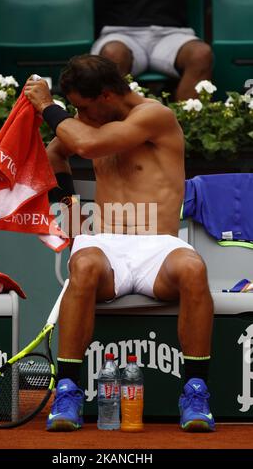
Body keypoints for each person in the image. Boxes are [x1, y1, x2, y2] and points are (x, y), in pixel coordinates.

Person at [24, 54, 215, 433]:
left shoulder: (153, 116)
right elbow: (55, 153)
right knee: (84, 264)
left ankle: (195, 391)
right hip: (105, 243)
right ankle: (68, 390)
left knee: (194, 269)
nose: (78, 113)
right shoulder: (89, 122)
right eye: (74, 107)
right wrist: (73, 217)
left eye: (83, 105)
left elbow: (90, 146)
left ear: (108, 95)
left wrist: (48, 107)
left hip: (159, 246)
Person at [91, 0, 213, 101]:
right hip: (119, 32)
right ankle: (116, 127)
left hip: (171, 32)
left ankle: (186, 127)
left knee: (200, 54)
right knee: (113, 54)